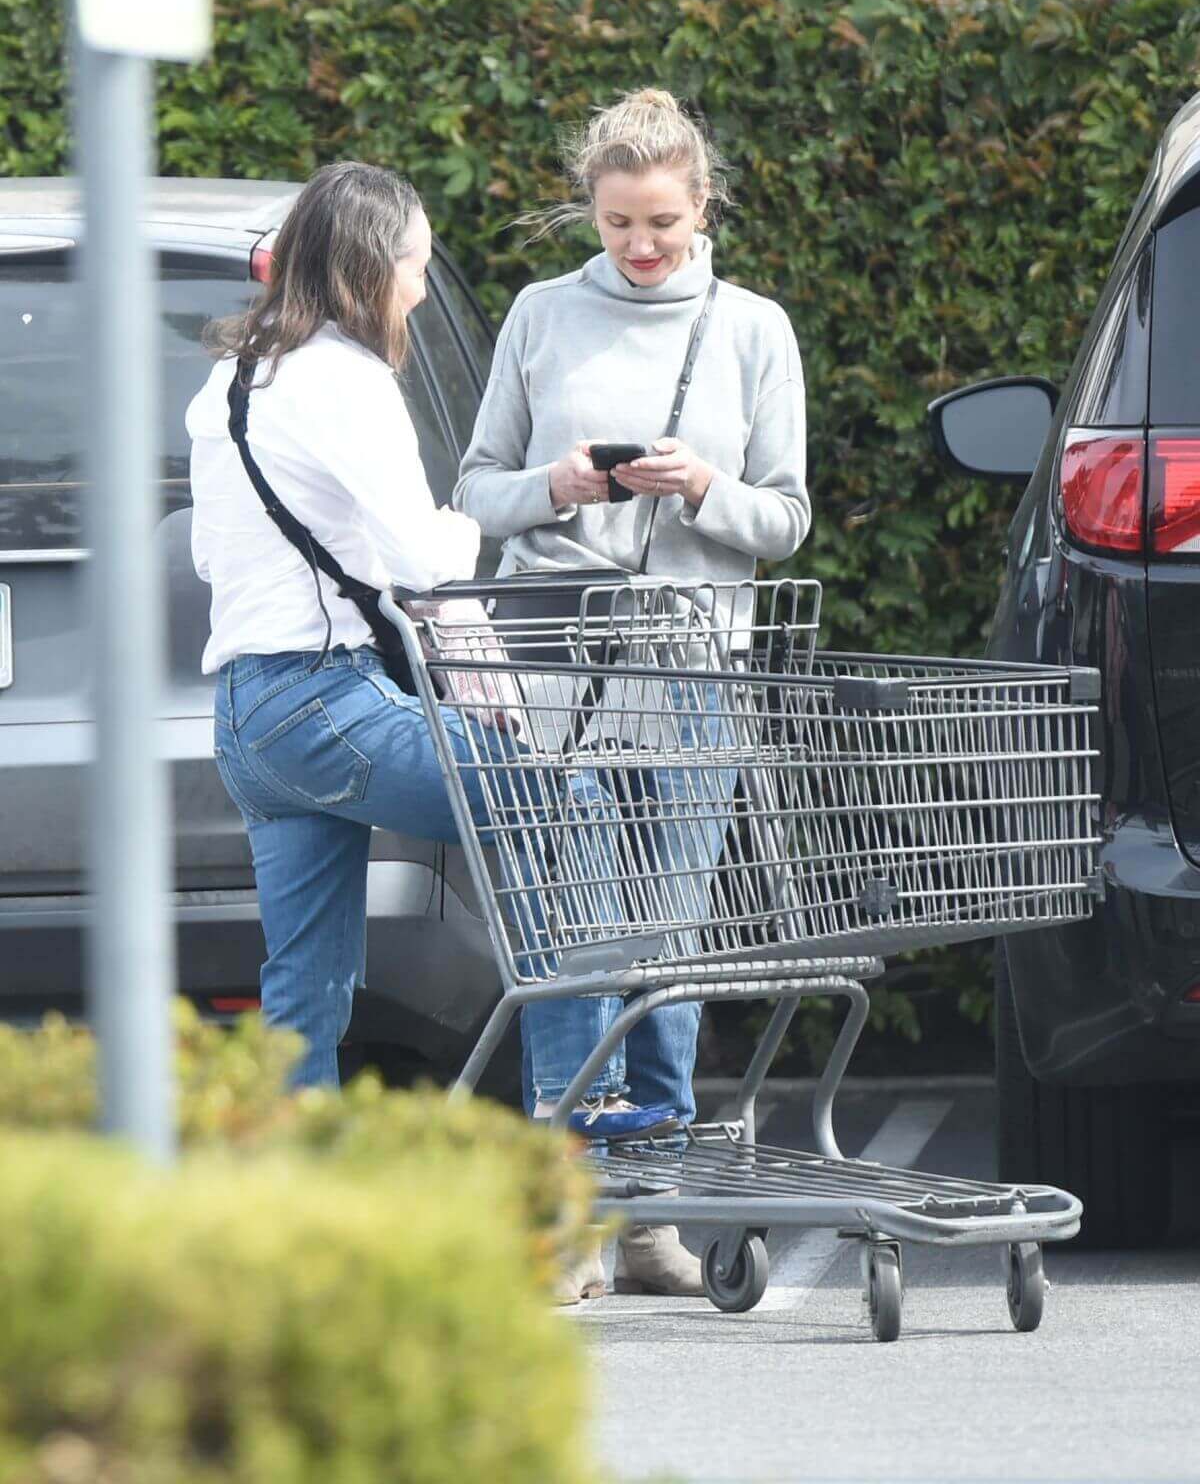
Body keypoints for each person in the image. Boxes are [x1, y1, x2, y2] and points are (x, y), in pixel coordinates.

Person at [455, 89, 812, 1299]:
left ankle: (649, 1207)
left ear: (703, 205)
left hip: (692, 660)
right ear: (590, 212)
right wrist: (559, 485)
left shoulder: (753, 328)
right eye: (616, 223)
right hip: (555, 653)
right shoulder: (540, 316)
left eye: (660, 221)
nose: (640, 245)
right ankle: (567, 1211)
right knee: (575, 936)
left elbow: (786, 517)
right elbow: (474, 491)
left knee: (661, 942)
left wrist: (703, 486)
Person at [186, 161, 630, 1095]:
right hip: (323, 697)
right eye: (416, 268)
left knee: (306, 985)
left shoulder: (232, 381)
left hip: (245, 718)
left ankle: (294, 1196)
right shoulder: (345, 382)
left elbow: (208, 557)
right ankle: (577, 1106)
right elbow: (427, 560)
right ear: (367, 269)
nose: (422, 290)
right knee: (564, 809)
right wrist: (483, 520)